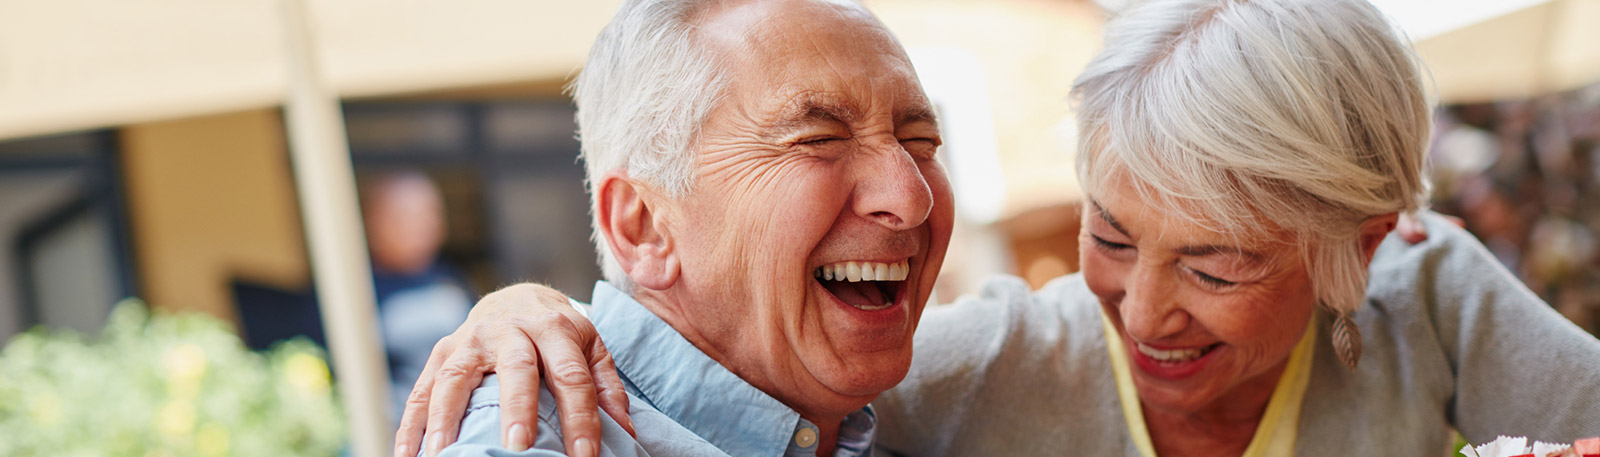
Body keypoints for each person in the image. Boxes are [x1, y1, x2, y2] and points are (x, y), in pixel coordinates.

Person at [398, 0, 1600, 456]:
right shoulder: (942, 379)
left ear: (1369, 241)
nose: (1140, 307)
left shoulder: (842, 424)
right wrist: (538, 311)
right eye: (1112, 236)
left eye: (922, 143)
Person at [409, 0, 955, 455]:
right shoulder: (525, 434)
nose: (911, 197)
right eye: (817, 140)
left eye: (920, 143)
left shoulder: (929, 402)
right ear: (644, 226)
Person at [362, 171, 475, 420]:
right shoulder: (357, 289)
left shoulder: (451, 278)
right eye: (407, 216)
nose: (424, 224)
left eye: (430, 213)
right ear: (375, 222)